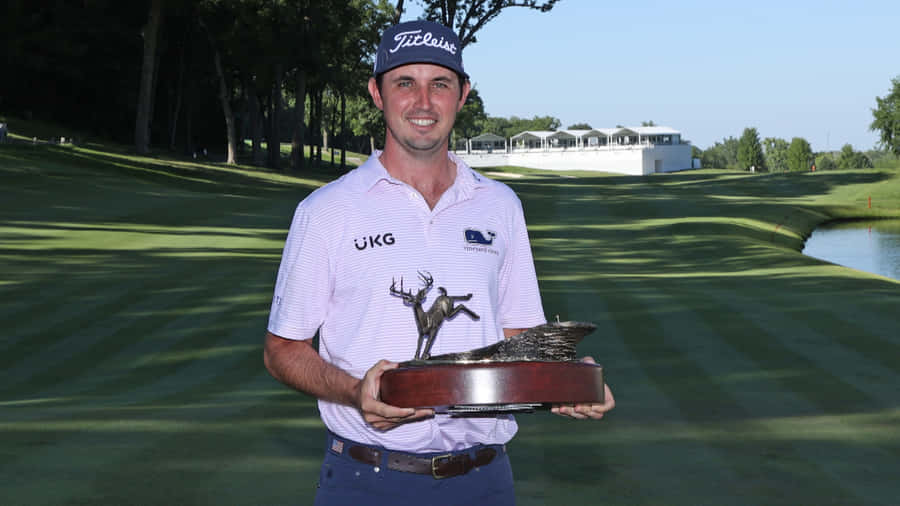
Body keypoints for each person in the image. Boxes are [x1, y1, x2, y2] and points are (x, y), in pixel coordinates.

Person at [263, 20, 615, 505]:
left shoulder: (500, 205)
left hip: (484, 480)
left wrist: (568, 378)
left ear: (463, 94)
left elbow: (517, 335)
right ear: (376, 93)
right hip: (366, 480)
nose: (423, 102)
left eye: (440, 84)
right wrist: (353, 392)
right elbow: (283, 349)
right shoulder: (326, 210)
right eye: (405, 83)